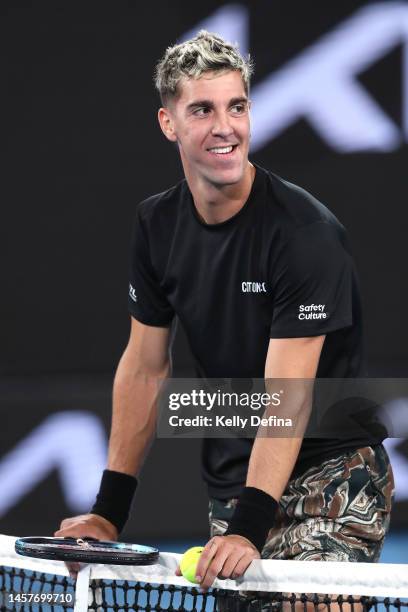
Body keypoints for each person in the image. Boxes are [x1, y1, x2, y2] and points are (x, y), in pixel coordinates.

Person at [56, 31, 394, 589]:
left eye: (236, 107)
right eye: (202, 110)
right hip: (234, 487)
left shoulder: (305, 234)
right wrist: (108, 513)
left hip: (332, 479)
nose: (225, 127)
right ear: (169, 123)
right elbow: (145, 367)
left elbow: (289, 395)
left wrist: (249, 528)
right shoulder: (156, 225)